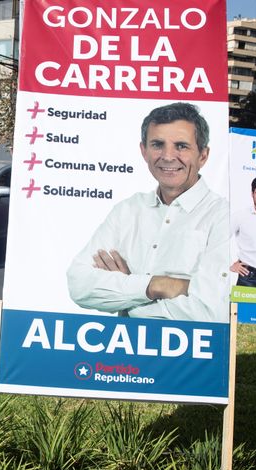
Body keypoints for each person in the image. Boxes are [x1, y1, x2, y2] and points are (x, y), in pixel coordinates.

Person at [66, 102, 230, 323]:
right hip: (124, 354)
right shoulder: (128, 211)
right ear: (143, 151)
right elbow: (79, 285)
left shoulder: (224, 216)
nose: (168, 156)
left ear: (203, 155)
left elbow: (211, 312)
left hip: (190, 357)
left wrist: (129, 295)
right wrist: (157, 285)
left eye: (181, 146)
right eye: (157, 144)